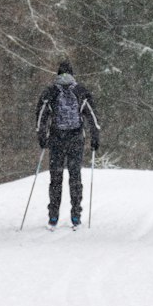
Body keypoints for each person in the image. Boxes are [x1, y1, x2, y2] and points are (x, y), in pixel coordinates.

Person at [36, 59, 100, 228]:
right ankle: (76, 215)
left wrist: (42, 136)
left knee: (55, 178)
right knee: (75, 177)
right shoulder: (81, 91)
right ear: (72, 74)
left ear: (58, 74)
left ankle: (53, 216)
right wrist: (95, 136)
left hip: (56, 139)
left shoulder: (50, 92)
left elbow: (41, 115)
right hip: (76, 139)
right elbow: (92, 116)